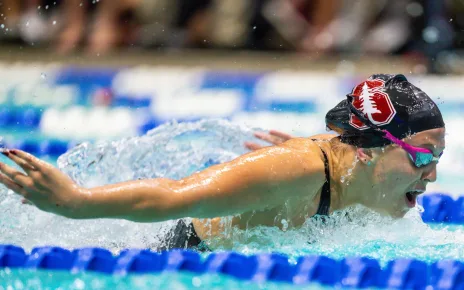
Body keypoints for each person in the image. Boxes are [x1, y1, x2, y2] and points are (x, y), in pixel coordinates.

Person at [0, 74, 445, 251]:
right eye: (422, 157)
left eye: (437, 158)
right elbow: (174, 196)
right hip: (180, 256)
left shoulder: (355, 172)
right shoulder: (299, 170)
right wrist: (75, 202)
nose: (433, 175)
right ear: (369, 150)